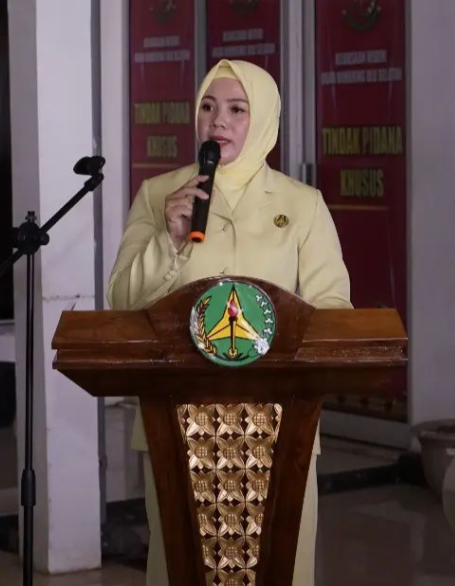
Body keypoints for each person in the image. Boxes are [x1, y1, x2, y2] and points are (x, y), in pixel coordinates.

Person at [107, 58, 352, 585]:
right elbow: (122, 304)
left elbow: (334, 312)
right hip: (176, 422)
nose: (219, 120)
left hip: (280, 426)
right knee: (182, 566)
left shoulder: (302, 205)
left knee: (279, 566)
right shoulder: (160, 195)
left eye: (238, 109)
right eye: (208, 107)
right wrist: (168, 240)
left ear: (263, 119)